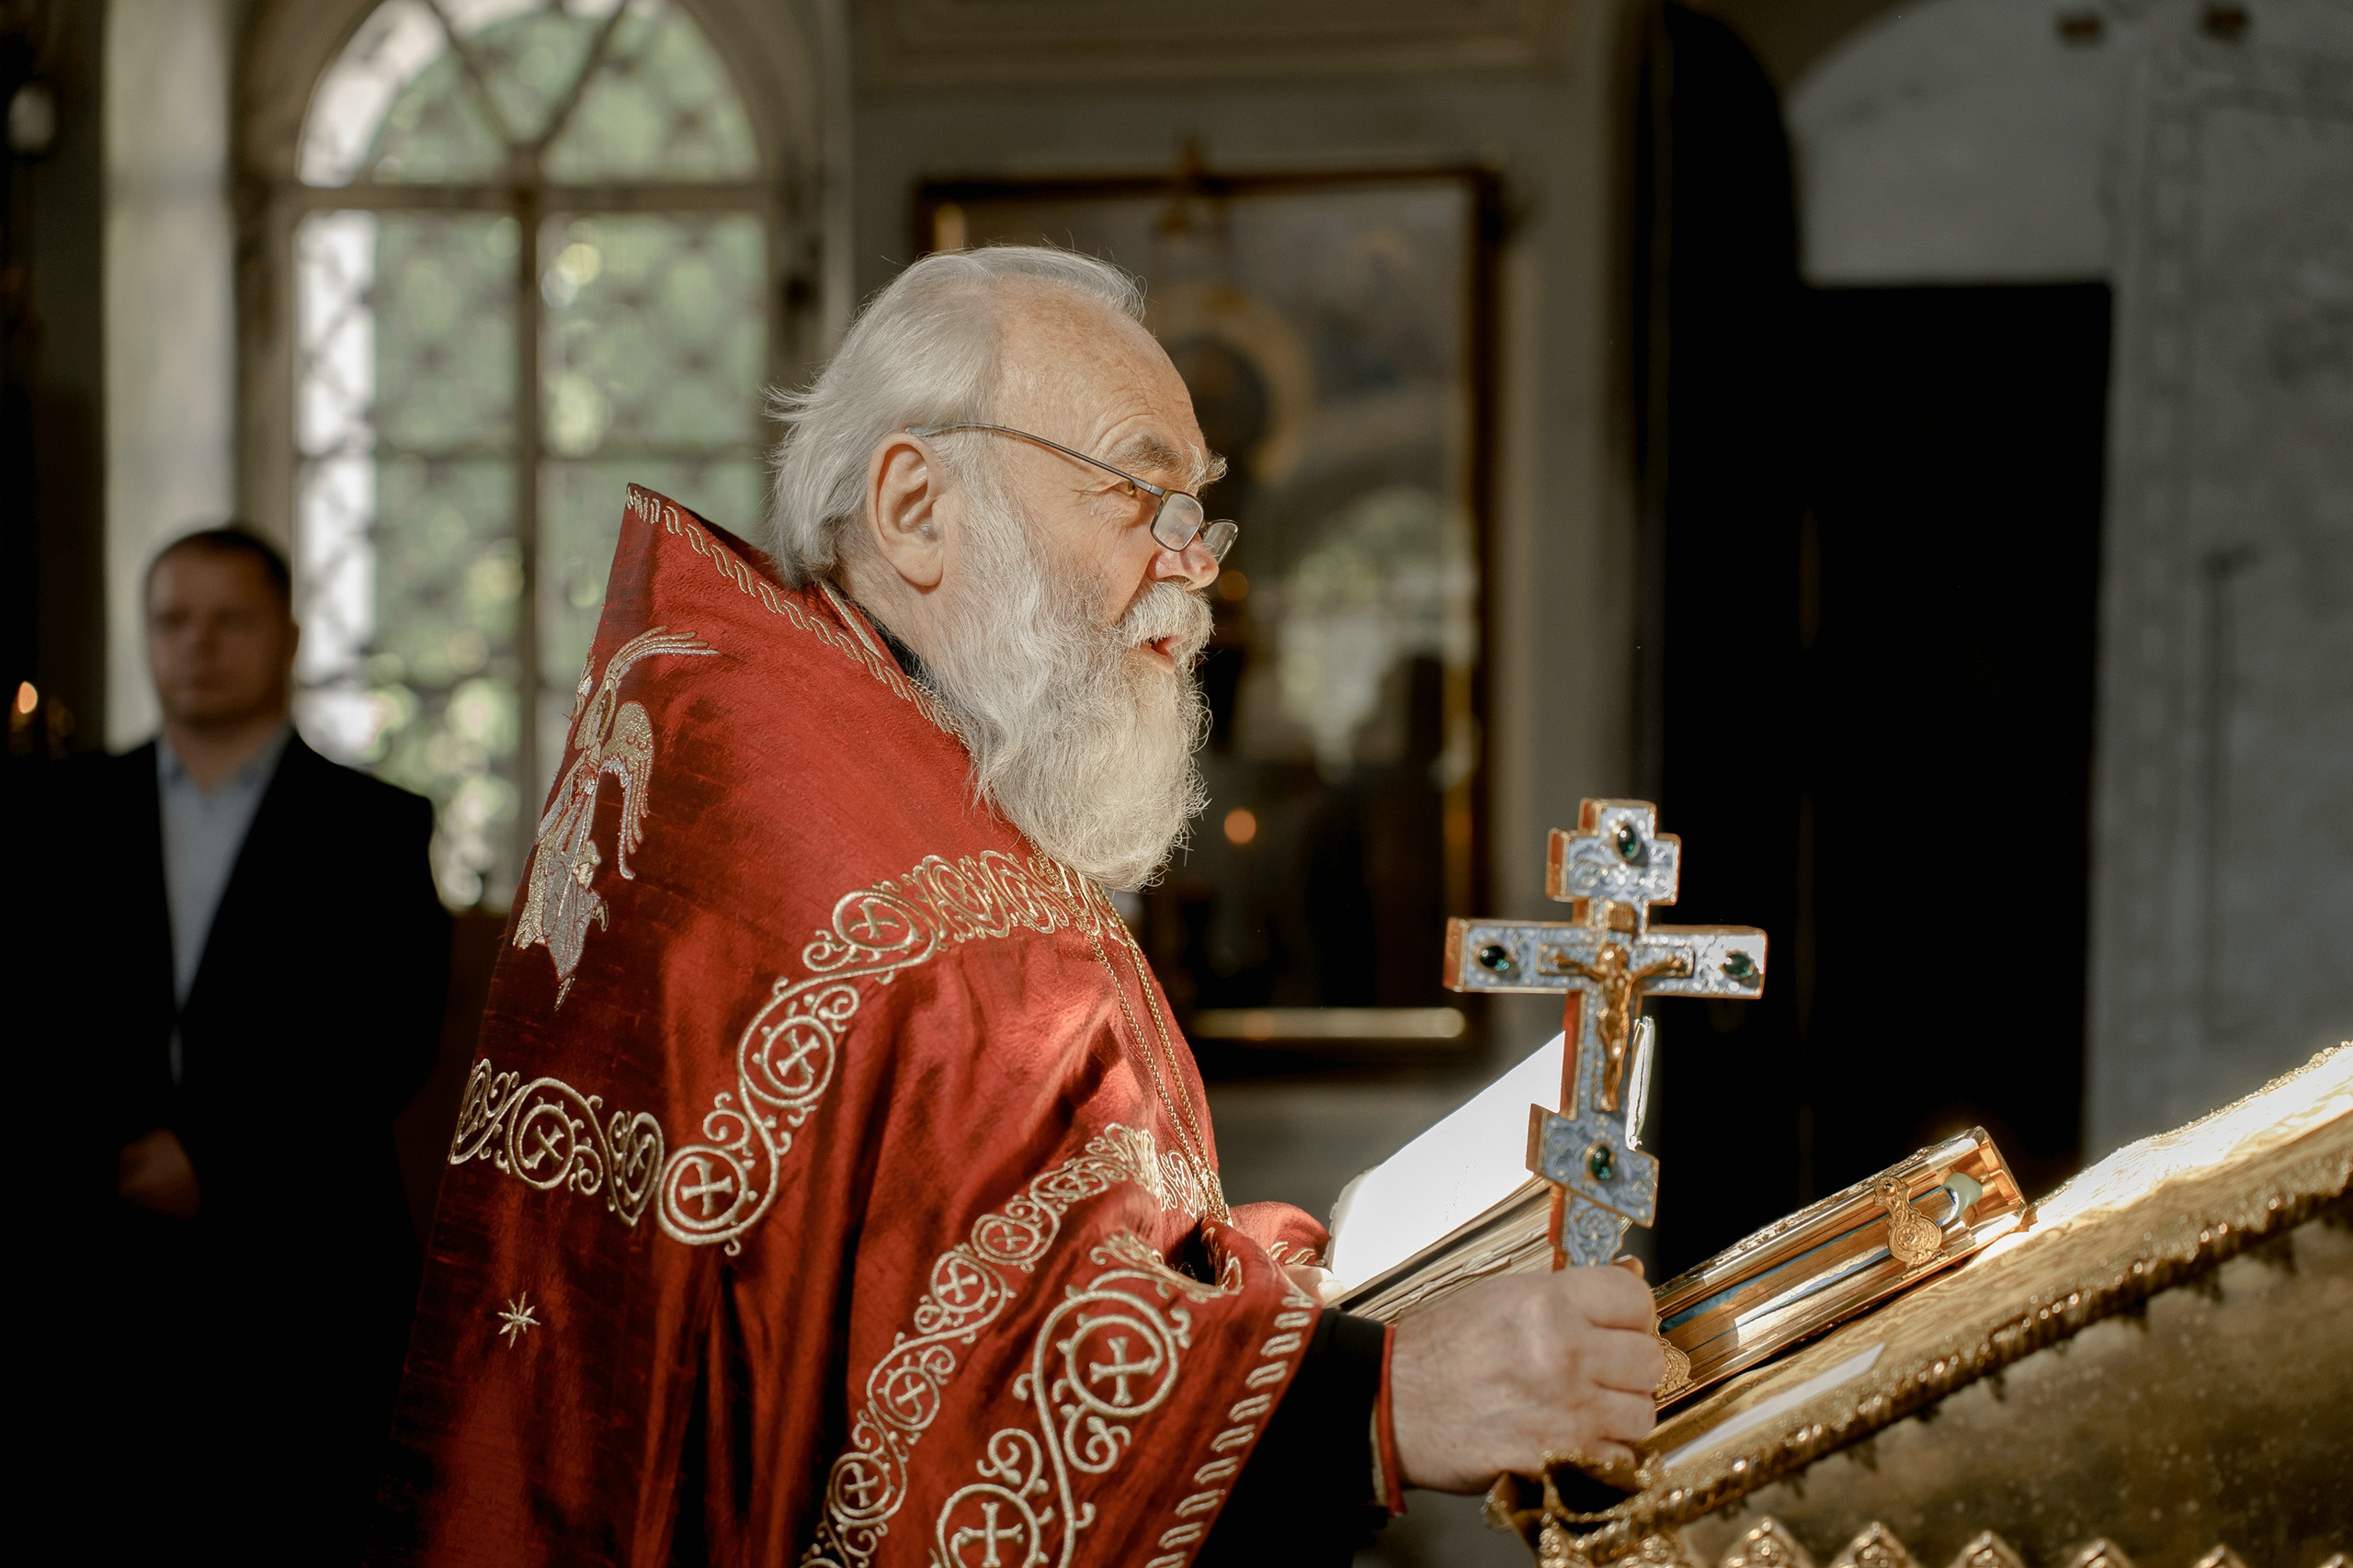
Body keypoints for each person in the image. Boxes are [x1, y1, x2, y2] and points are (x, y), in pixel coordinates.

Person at [377, 248, 1662, 1566]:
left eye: (1198, 513)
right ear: (917, 508)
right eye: (1136, 492)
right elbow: (964, 1419)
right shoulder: (844, 852)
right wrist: (1378, 1402)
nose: (1192, 568)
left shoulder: (896, 772)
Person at [39, 528, 450, 1562]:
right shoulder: (52, 815)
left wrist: (215, 1160)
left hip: (304, 1286)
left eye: (232, 618)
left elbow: (383, 1036)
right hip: (85, 1279)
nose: (200, 645)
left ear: (291, 636)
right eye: (174, 620)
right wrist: (106, 1159)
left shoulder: (376, 827)